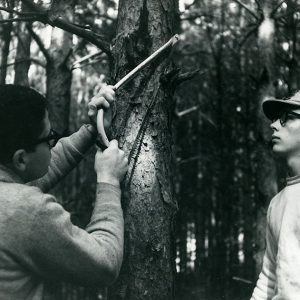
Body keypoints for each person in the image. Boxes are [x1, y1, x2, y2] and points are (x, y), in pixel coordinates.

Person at [0, 84, 128, 299]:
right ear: (20, 158)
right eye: (48, 137)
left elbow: (43, 168)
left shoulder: (10, 196)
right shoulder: (27, 210)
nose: (53, 142)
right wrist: (109, 181)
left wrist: (92, 128)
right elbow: (105, 263)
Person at [251, 91, 300, 299]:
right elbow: (269, 277)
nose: (274, 125)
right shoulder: (277, 203)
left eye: (287, 118)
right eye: (274, 119)